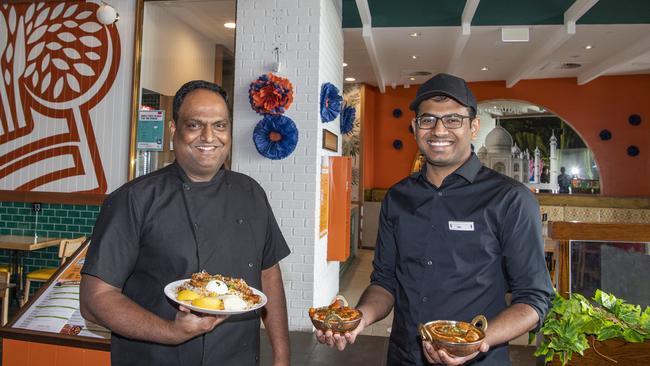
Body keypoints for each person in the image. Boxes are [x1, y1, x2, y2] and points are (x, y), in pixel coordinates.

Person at [316, 73, 554, 365]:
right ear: (415, 127)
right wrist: (360, 318)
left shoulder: (511, 199)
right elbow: (385, 282)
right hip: (404, 356)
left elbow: (533, 299)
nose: (439, 130)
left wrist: (474, 342)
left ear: (474, 127)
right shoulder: (397, 198)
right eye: (428, 120)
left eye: (453, 119)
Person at [80, 80, 291, 366]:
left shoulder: (251, 193)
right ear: (173, 130)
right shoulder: (134, 199)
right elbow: (95, 300)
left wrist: (281, 355)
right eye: (194, 125)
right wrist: (171, 332)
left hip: (238, 357)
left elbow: (269, 275)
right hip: (156, 358)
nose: (209, 136)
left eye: (220, 125)